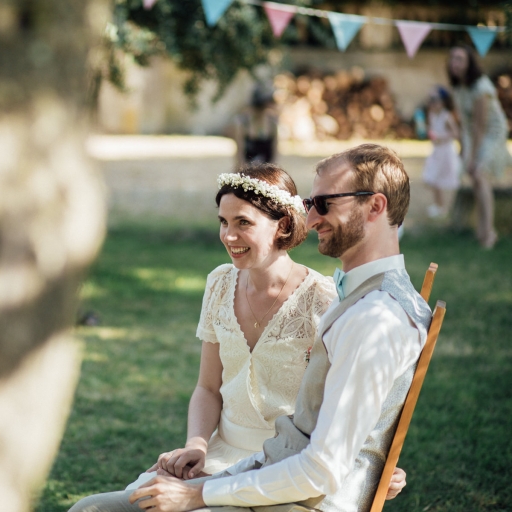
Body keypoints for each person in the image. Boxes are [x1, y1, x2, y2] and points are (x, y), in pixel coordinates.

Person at [70, 145, 419, 511]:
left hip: (280, 469)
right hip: (228, 457)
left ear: (283, 225)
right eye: (223, 221)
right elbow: (208, 386)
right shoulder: (221, 282)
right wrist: (196, 445)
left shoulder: (340, 302)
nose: (228, 236)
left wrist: (372, 459)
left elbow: (345, 416)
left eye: (243, 223)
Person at [448, 44, 510, 248]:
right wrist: (463, 148)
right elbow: (466, 123)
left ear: (469, 63)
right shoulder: (458, 86)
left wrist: (473, 157)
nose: (455, 63)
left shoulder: (481, 88)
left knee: (479, 174)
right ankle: (481, 229)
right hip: (472, 133)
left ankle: (489, 233)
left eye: (460, 59)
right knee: (475, 177)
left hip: (492, 133)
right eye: (453, 59)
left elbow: (480, 126)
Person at [422, 86, 461, 219]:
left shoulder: (446, 116)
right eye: (430, 99)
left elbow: (456, 133)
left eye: (434, 99)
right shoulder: (432, 114)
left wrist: (441, 137)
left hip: (446, 152)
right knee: (432, 178)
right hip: (437, 151)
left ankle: (441, 207)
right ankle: (438, 205)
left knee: (438, 178)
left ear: (443, 101)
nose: (431, 103)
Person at [234, 86, 279, 165]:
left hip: (266, 169)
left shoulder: (272, 123)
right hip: (247, 169)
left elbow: (275, 152)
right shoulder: (244, 123)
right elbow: (239, 153)